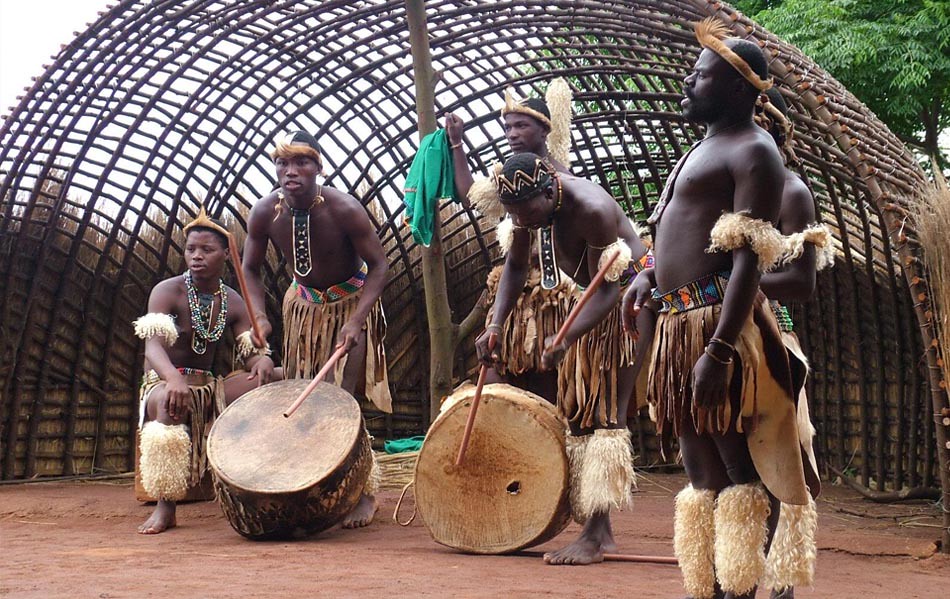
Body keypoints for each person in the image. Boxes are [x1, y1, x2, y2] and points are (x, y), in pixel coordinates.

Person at [622, 18, 816, 599]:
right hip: (679, 323)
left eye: (700, 76)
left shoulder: (755, 152)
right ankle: (705, 587)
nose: (687, 82)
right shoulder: (704, 147)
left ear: (739, 89)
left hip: (713, 329)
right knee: (699, 469)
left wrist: (722, 348)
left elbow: (749, 261)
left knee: (740, 470)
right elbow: (684, 238)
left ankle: (742, 588)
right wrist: (650, 275)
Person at [477, 151, 650, 565]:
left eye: (527, 210)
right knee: (577, 413)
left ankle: (596, 535)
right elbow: (516, 266)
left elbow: (608, 288)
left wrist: (566, 335)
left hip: (629, 303)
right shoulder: (527, 212)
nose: (522, 220)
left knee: (606, 411)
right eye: (514, 214)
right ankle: (594, 527)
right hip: (591, 300)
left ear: (550, 188)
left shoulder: (591, 208)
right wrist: (496, 324)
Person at [242, 130, 391, 529]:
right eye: (283, 163)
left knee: (346, 399)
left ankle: (364, 490)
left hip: (349, 305)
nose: (291, 171)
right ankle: (311, 487)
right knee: (303, 396)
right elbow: (249, 270)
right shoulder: (264, 212)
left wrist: (357, 320)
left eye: (302, 163)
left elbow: (380, 266)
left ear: (318, 167)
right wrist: (259, 317)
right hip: (303, 310)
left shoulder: (344, 208)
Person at [133, 209, 277, 534]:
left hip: (210, 388)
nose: (196, 257)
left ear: (226, 254)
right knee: (170, 402)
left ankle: (265, 482)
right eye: (191, 250)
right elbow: (152, 347)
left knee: (279, 378)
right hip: (163, 383)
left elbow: (251, 354)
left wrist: (262, 361)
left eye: (206, 250)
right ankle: (165, 507)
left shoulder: (233, 301)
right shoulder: (167, 291)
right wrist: (172, 378)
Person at [445, 80, 574, 403]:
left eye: (521, 126)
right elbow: (471, 195)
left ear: (544, 130)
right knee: (496, 380)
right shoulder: (509, 178)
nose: (512, 134)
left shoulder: (567, 183)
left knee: (550, 389)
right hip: (514, 298)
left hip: (555, 301)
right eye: (507, 127)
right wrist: (457, 143)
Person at [754, 87, 833, 599]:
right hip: (715, 331)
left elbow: (801, 282)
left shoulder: (791, 192)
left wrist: (741, 289)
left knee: (776, 456)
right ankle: (733, 570)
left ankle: (779, 578)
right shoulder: (723, 187)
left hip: (769, 334)